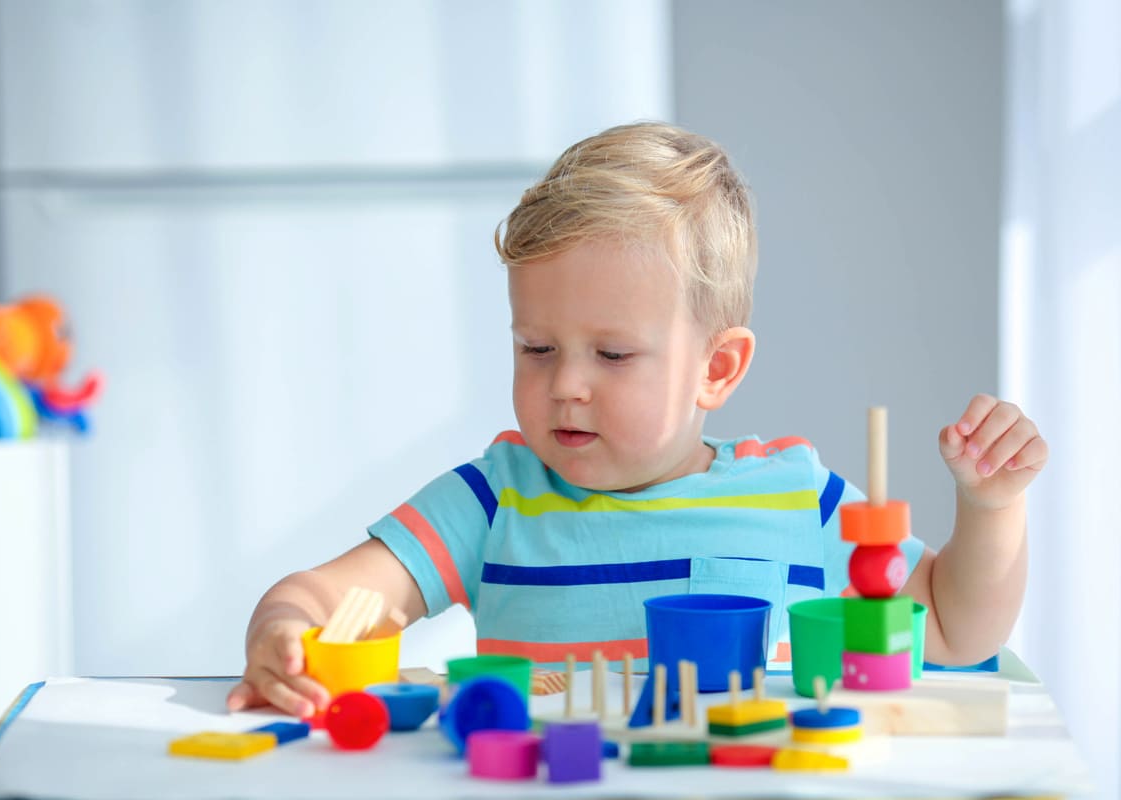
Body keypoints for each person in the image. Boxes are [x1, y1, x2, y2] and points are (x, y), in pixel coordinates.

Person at [227, 122, 1046, 718]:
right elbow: (325, 595)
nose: (566, 386)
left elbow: (950, 624)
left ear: (716, 368)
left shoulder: (798, 496)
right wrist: (284, 631)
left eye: (612, 356)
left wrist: (992, 508)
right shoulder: (492, 500)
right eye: (537, 347)